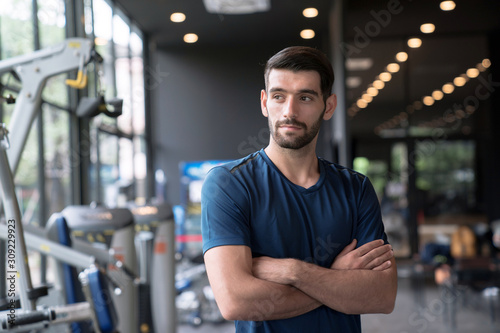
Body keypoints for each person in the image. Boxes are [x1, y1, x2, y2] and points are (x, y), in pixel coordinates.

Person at [201, 46, 397, 332]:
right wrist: (335, 279)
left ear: (328, 106)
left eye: (305, 97)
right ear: (264, 102)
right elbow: (235, 301)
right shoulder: (229, 184)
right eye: (279, 96)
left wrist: (292, 271)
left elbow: (381, 295)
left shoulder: (355, 188)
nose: (289, 112)